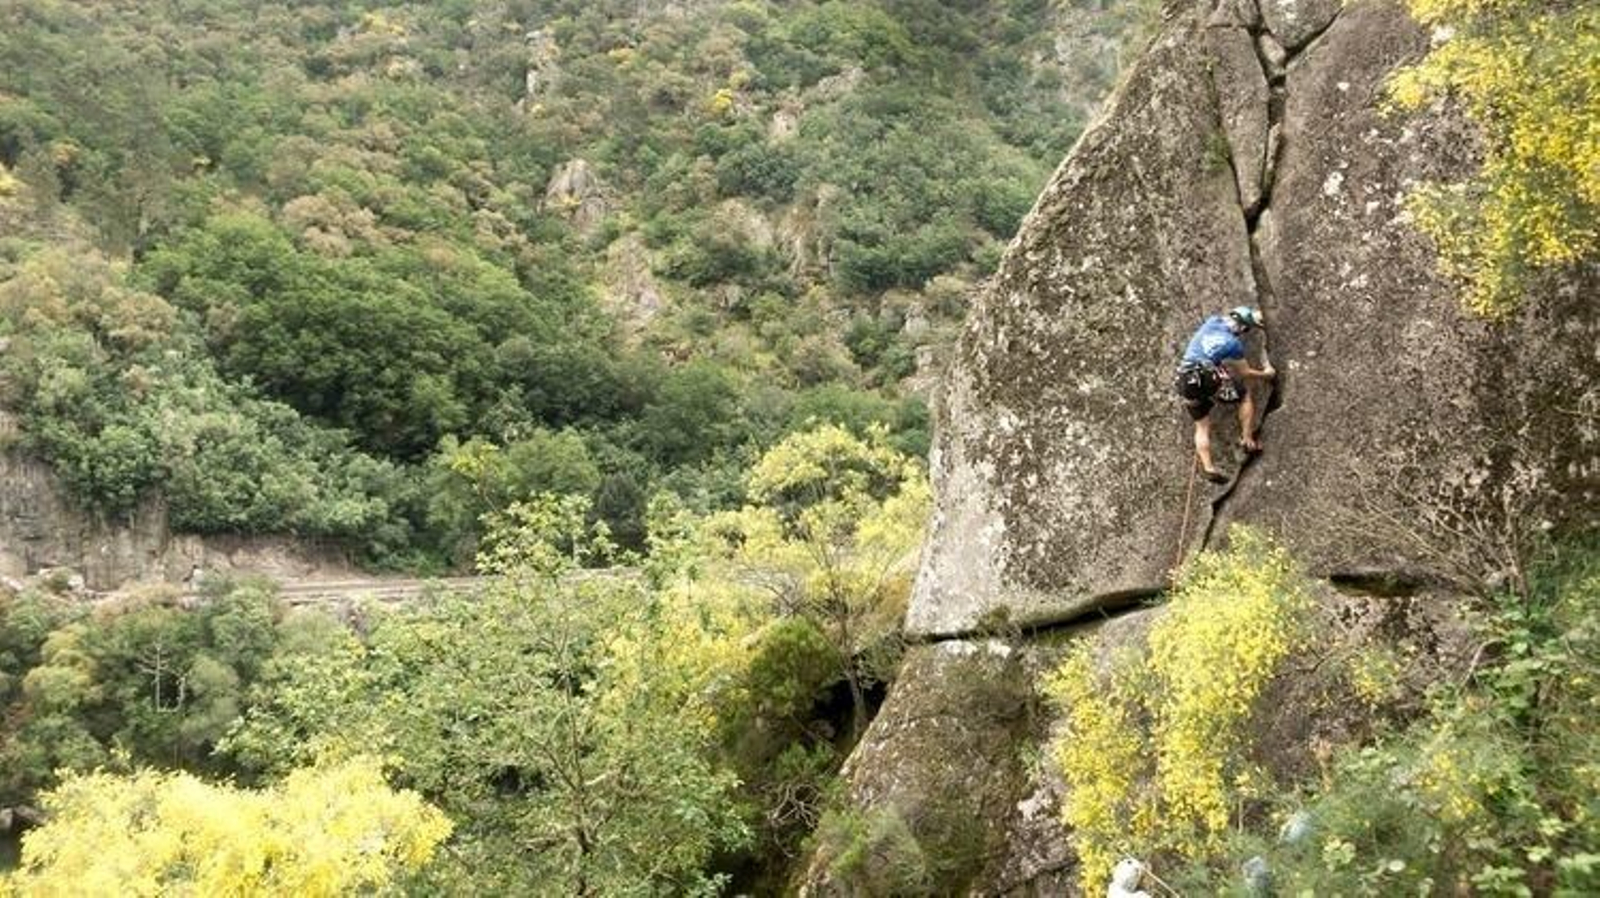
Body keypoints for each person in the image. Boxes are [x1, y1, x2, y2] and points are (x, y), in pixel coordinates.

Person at [1174, 306, 1275, 482]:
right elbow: (1245, 373)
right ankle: (1247, 439)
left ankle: (1208, 466)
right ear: (1242, 328)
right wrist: (1266, 374)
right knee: (1244, 395)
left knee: (1201, 425)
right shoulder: (1233, 344)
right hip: (1206, 378)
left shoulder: (1212, 321)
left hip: (1184, 379)